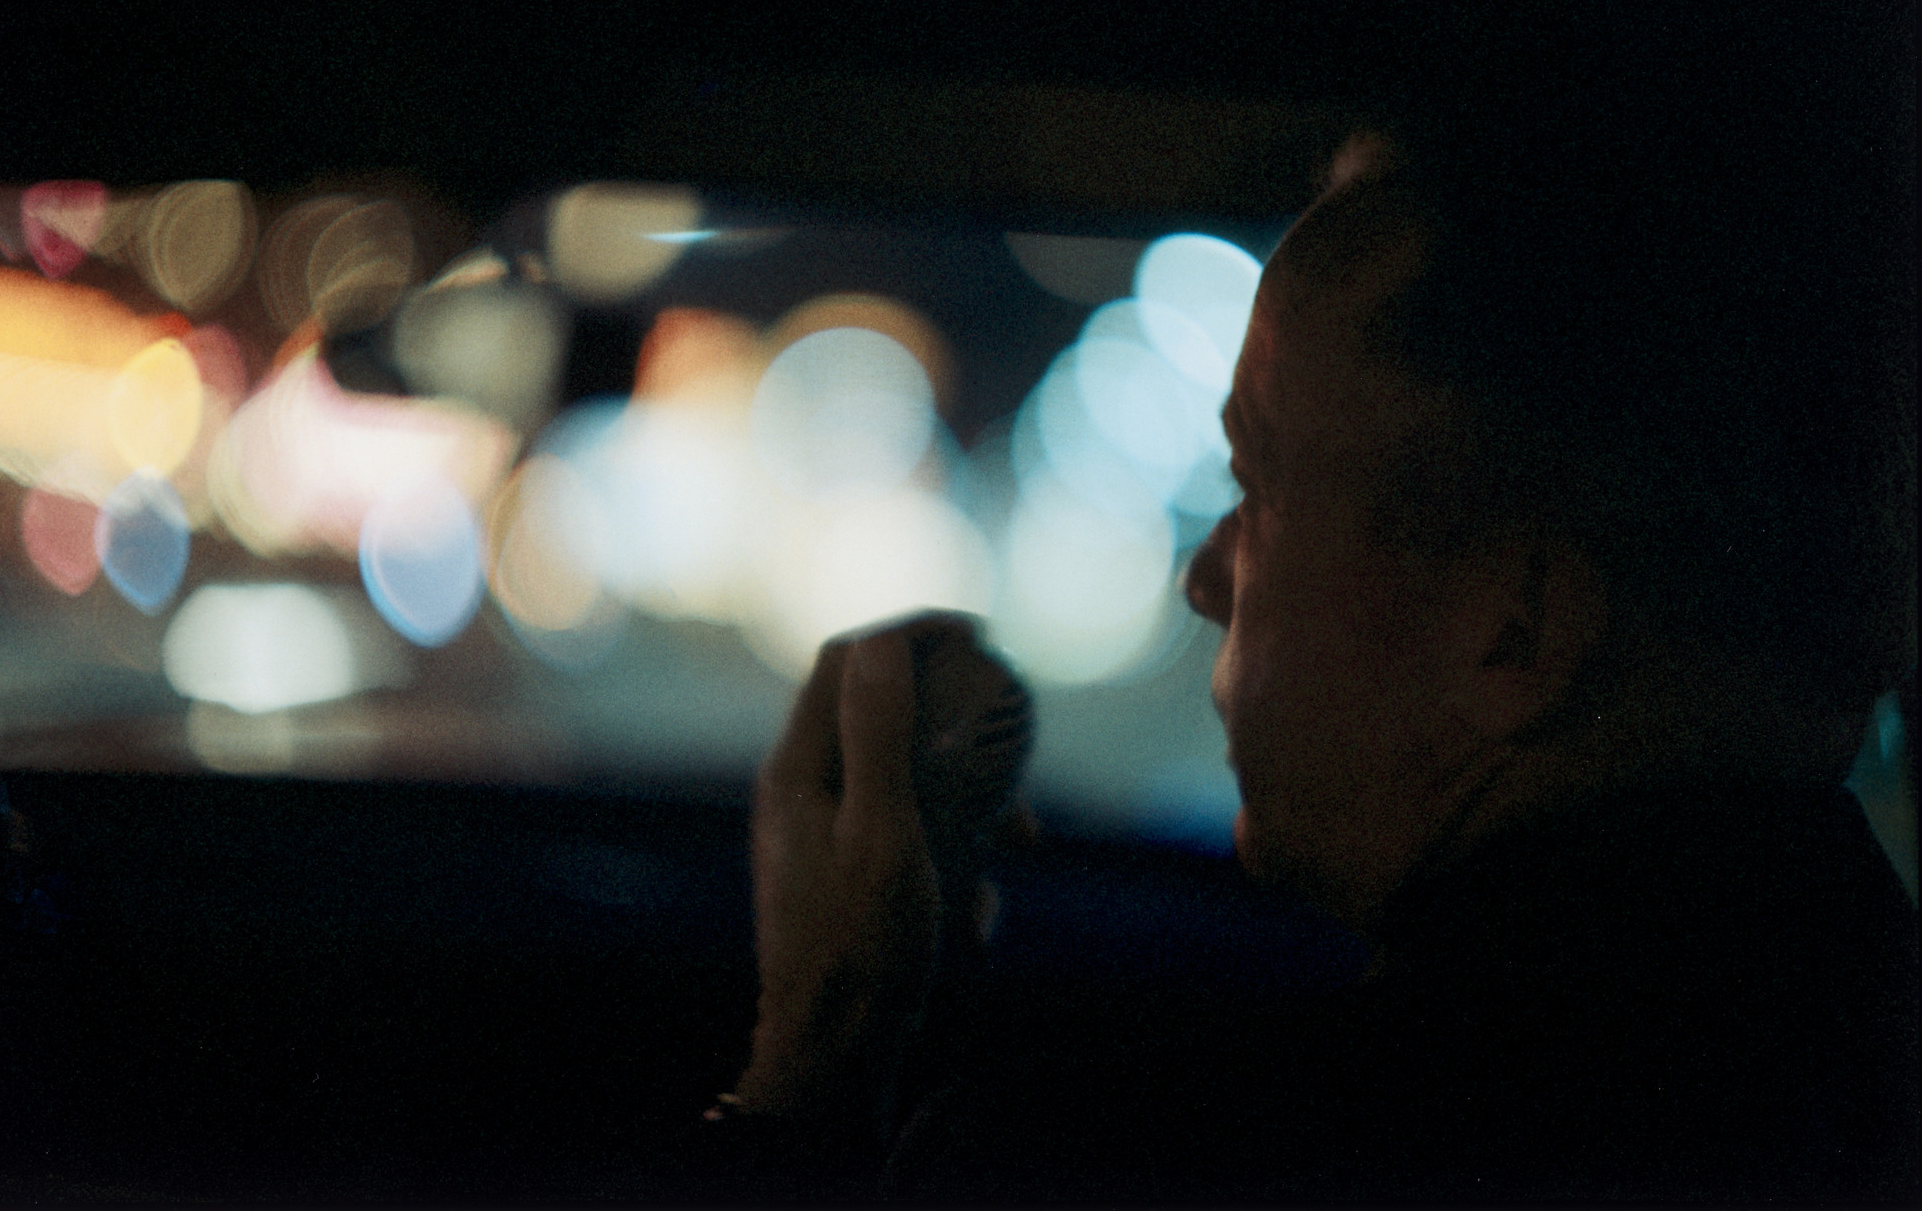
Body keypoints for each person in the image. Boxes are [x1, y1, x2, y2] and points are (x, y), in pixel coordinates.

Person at [695, 86, 1918, 1202]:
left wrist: (819, 1052)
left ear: (1518, 626)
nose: (1202, 575)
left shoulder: (1128, 1164)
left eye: (1257, 484)